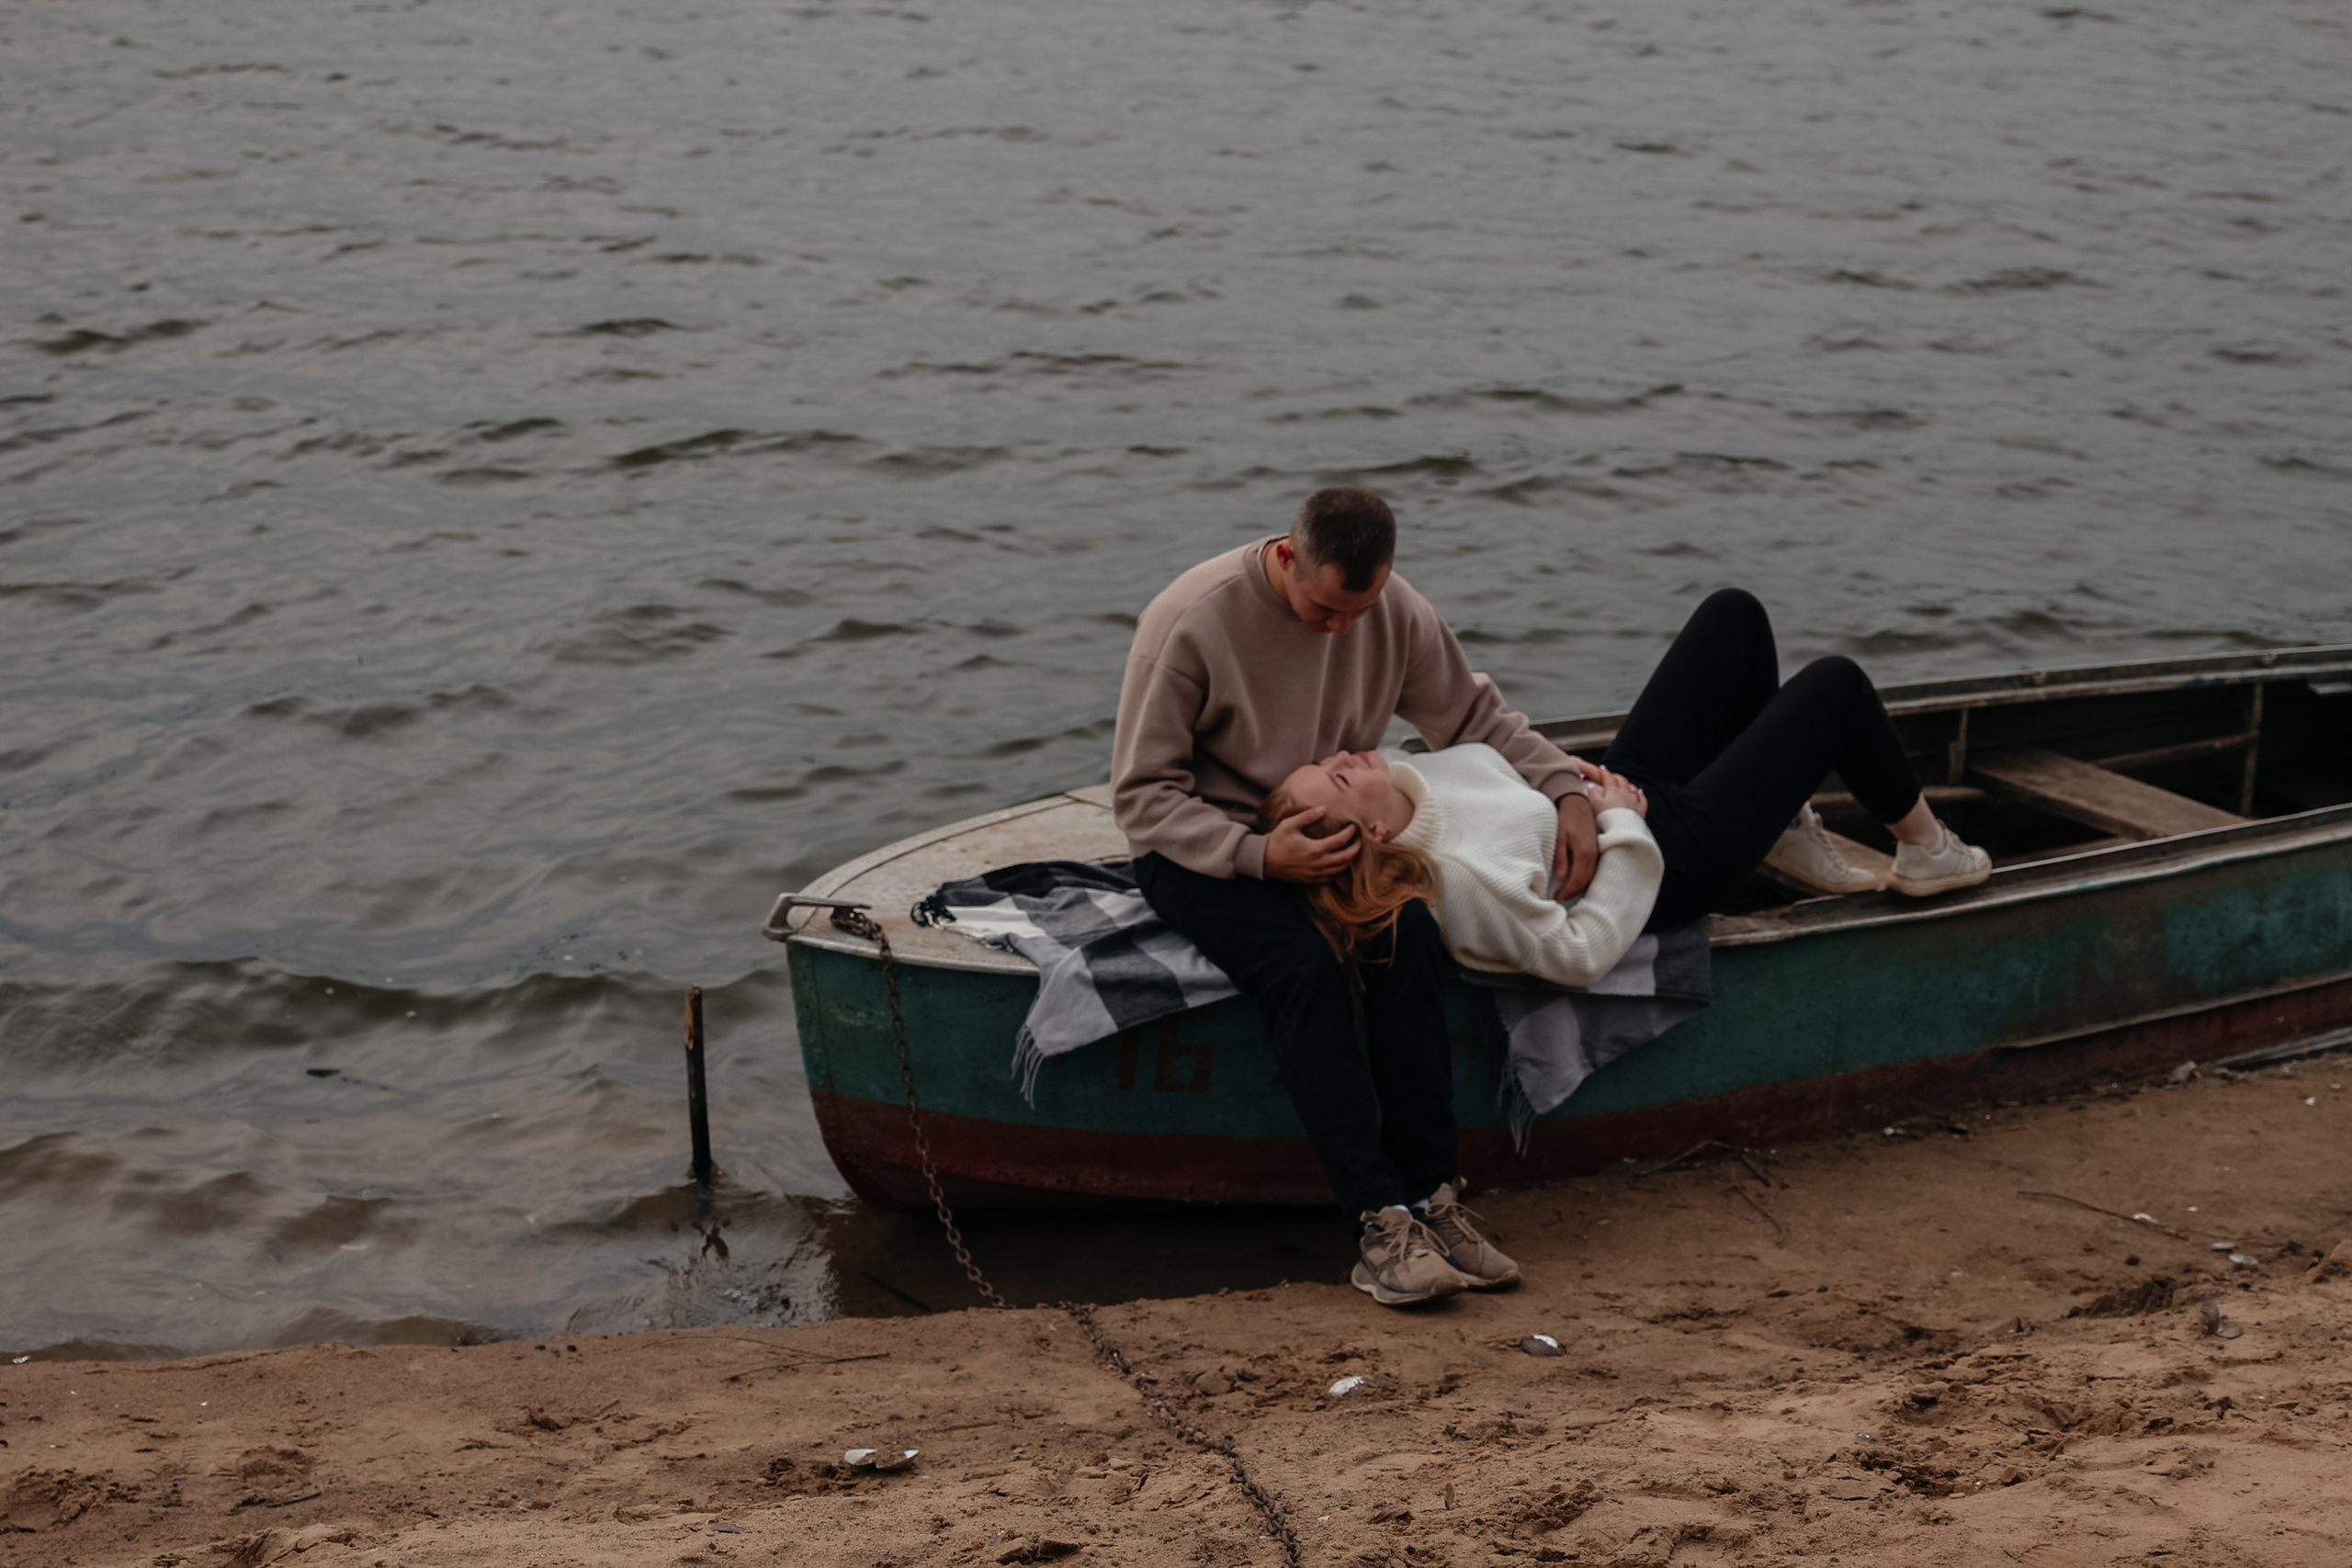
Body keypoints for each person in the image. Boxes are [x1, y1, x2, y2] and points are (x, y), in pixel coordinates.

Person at [1112, 488, 1593, 1307]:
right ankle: (1377, 1221)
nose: (1340, 629)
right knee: (1302, 964)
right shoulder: (1190, 619)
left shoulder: (1392, 610)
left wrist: (1569, 790)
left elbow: (1471, 715)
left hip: (1334, 840)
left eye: (1358, 611)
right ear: (1288, 558)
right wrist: (1258, 854)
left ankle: (1433, 1197)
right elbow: (1143, 796)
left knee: (1407, 934)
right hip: (1209, 848)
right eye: (1324, 608)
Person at [1257, 590, 1992, 978]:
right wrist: (1626, 828)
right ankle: (1926, 850)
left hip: (1615, 795)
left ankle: (1786, 829)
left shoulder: (1403, 772)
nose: (1344, 756)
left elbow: (1494, 752)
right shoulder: (1461, 881)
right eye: (1334, 778)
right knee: (1836, 686)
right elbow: (1577, 952)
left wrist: (1575, 790)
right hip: (1670, 859)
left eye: (1327, 762)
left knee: (1733, 616)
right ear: (1373, 833)